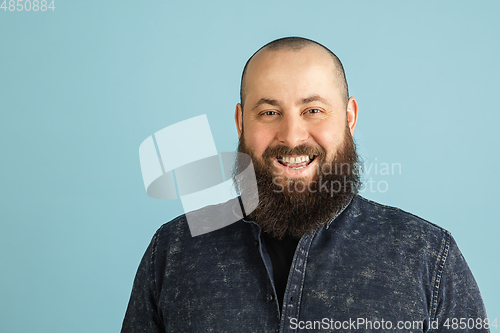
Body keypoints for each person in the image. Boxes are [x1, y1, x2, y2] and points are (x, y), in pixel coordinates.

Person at [122, 37, 490, 332]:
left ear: (349, 117)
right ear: (240, 122)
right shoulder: (173, 251)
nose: (292, 136)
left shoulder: (428, 255)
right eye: (269, 112)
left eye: (313, 110)